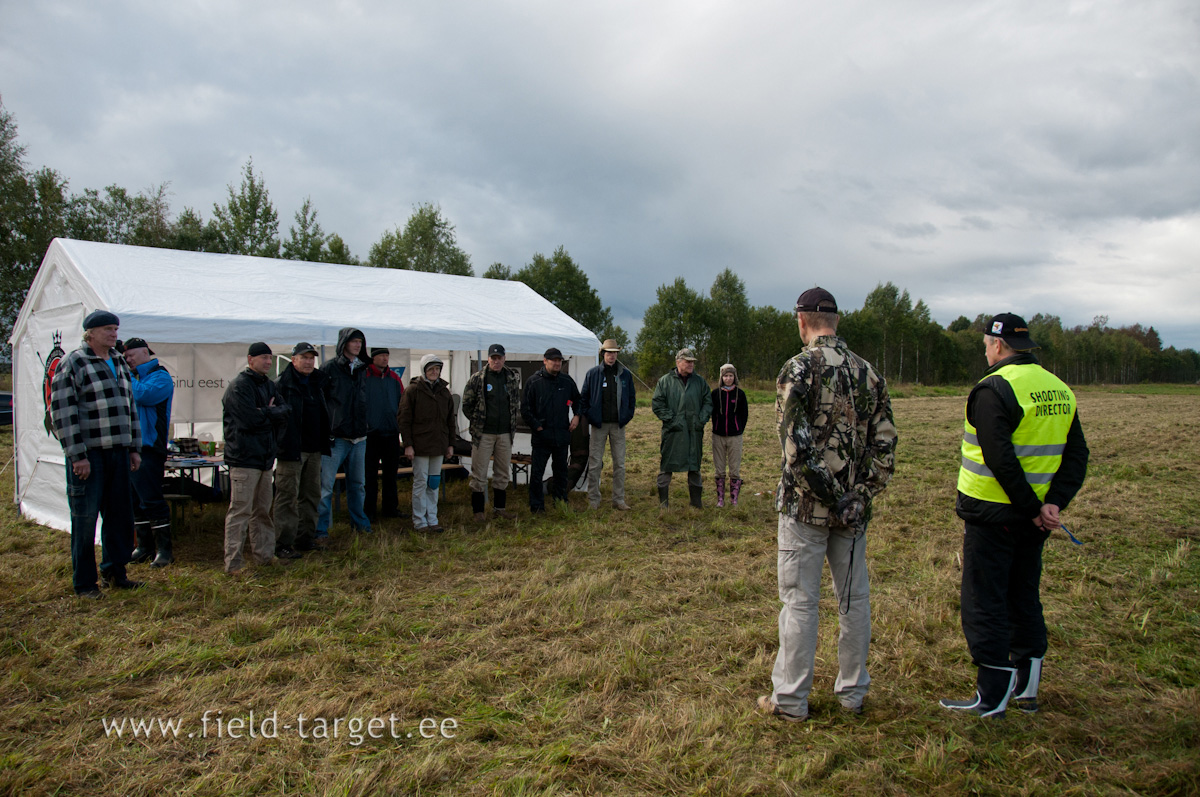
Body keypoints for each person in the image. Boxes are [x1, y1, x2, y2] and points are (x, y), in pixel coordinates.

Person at [758, 288, 897, 722]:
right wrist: (858, 497)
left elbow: (796, 450)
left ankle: (792, 702)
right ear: (836, 321)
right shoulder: (868, 373)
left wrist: (838, 498)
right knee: (854, 600)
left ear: (802, 321)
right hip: (851, 514)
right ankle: (852, 695)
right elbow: (885, 446)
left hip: (805, 511)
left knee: (800, 602)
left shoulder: (798, 368)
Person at [940, 313, 1088, 717]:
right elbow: (1077, 455)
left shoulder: (994, 389)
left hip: (994, 516)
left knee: (984, 601)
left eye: (986, 344)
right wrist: (1051, 506)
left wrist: (1031, 508)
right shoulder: (1060, 389)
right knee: (1023, 596)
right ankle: (1027, 688)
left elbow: (1001, 459)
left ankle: (991, 697)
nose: (985, 351)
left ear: (998, 345)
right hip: (1034, 520)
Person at [49, 310, 143, 598]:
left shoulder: (118, 361)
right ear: (89, 333)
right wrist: (77, 455)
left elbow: (130, 409)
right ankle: (85, 583)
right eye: (106, 329)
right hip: (89, 454)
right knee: (85, 519)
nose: (113, 334)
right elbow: (62, 412)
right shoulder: (74, 362)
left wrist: (134, 448)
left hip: (118, 451)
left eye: (115, 329)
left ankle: (115, 572)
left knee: (118, 518)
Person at [221, 343, 290, 575]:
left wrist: (266, 412)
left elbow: (285, 412)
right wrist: (269, 413)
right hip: (244, 458)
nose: (268, 362)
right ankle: (234, 563)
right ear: (250, 359)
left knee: (262, 510)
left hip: (265, 458)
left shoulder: (269, 385)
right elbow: (249, 419)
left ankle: (264, 555)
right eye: (263, 358)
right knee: (240, 511)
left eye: (270, 359)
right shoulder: (239, 387)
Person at [273, 342, 330, 557]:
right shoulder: (282, 384)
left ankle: (305, 538)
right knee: (287, 496)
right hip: (291, 450)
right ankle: (283, 544)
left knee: (311, 495)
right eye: (304, 357)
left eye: (311, 358)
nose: (308, 362)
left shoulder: (318, 382)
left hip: (315, 448)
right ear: (293, 359)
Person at [123, 337, 175, 567]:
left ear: (145, 353)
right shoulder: (133, 377)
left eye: (131, 355)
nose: (128, 360)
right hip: (131, 446)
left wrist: (125, 378)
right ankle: (144, 547)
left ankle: (165, 551)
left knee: (152, 499)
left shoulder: (161, 376)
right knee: (136, 500)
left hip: (150, 447)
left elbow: (144, 395)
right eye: (125, 357)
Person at [318, 328, 372, 539]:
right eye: (353, 341)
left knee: (358, 486)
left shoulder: (362, 369)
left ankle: (360, 526)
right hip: (336, 438)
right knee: (326, 488)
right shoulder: (329, 368)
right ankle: (322, 530)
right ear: (344, 343)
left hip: (359, 437)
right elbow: (321, 402)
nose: (357, 345)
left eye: (360, 341)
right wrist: (327, 429)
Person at [461, 343, 521, 523]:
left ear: (504, 358)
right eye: (493, 358)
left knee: (502, 472)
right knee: (479, 473)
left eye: (499, 358)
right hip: (484, 434)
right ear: (488, 359)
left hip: (504, 433)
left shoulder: (511, 377)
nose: (496, 361)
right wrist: (478, 420)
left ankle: (499, 509)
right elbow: (466, 405)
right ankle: (478, 512)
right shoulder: (478, 378)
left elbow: (515, 402)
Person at [397, 354, 457, 532]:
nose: (434, 372)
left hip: (439, 444)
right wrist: (407, 444)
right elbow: (404, 419)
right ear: (424, 370)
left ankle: (432, 519)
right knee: (421, 482)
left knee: (433, 482)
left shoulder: (444, 392)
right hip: (420, 445)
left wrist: (450, 444)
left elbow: (450, 421)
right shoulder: (413, 390)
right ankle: (419, 521)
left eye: (437, 369)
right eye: (431, 369)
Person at [521, 347, 581, 513]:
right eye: (553, 360)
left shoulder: (567, 381)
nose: (557, 363)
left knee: (561, 471)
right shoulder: (533, 382)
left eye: (559, 360)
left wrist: (577, 416)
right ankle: (537, 506)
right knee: (537, 472)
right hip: (542, 436)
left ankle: (560, 501)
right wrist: (537, 426)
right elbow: (525, 409)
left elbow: (578, 400)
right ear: (544, 361)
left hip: (562, 434)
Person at [651, 348, 711, 508]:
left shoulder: (699, 382)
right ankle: (664, 503)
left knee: (694, 466)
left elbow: (707, 402)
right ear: (678, 362)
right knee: (666, 466)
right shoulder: (665, 381)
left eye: (692, 362)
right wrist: (671, 420)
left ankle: (696, 503)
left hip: (693, 432)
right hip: (673, 433)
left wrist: (701, 420)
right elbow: (657, 403)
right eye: (687, 361)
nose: (691, 364)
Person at [580, 339, 636, 511]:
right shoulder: (593, 374)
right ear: (603, 354)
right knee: (595, 462)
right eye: (608, 352)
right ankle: (593, 500)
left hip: (618, 426)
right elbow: (584, 398)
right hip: (599, 425)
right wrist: (592, 417)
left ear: (617, 354)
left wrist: (626, 416)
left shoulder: (625, 374)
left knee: (619, 464)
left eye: (614, 352)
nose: (612, 356)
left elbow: (632, 399)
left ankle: (618, 499)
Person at [364, 347, 406, 520]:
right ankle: (369, 511)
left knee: (391, 475)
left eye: (387, 355)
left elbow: (402, 403)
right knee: (370, 476)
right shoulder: (364, 377)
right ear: (373, 358)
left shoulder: (395, 378)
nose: (385, 358)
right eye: (381, 355)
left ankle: (390, 509)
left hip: (391, 433)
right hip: (370, 435)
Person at [711, 363, 748, 508]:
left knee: (734, 469)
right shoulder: (715, 394)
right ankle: (720, 499)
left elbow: (744, 415)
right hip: (718, 435)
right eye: (725, 376)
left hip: (735, 436)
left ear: (735, 377)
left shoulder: (740, 394)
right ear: (721, 377)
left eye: (730, 376)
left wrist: (738, 428)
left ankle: (734, 499)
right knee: (719, 468)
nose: (728, 379)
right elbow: (711, 412)